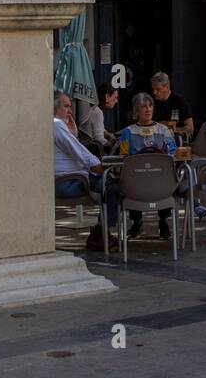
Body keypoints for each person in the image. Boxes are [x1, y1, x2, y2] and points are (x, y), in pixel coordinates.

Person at [53, 91, 118, 252]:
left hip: (71, 178)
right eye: (66, 106)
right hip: (69, 182)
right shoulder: (56, 124)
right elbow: (82, 155)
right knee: (114, 186)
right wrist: (103, 168)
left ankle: (101, 232)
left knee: (110, 183)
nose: (70, 111)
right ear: (54, 108)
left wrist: (74, 134)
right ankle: (102, 234)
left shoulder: (57, 125)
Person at [115, 91, 178, 239]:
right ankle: (136, 221)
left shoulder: (164, 131)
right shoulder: (128, 132)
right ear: (136, 111)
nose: (148, 109)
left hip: (160, 178)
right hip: (137, 180)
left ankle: (164, 222)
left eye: (150, 106)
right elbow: (123, 155)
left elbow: (173, 153)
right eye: (143, 106)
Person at [150, 71, 194, 140]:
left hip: (176, 141)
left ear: (167, 87)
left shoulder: (179, 101)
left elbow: (190, 128)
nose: (154, 92)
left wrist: (171, 130)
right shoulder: (151, 102)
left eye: (158, 89)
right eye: (153, 89)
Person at [79, 82, 118, 150]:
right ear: (107, 97)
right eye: (115, 97)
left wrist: (107, 134)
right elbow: (99, 140)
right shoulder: (97, 112)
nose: (116, 101)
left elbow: (98, 128)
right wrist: (114, 143)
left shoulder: (94, 109)